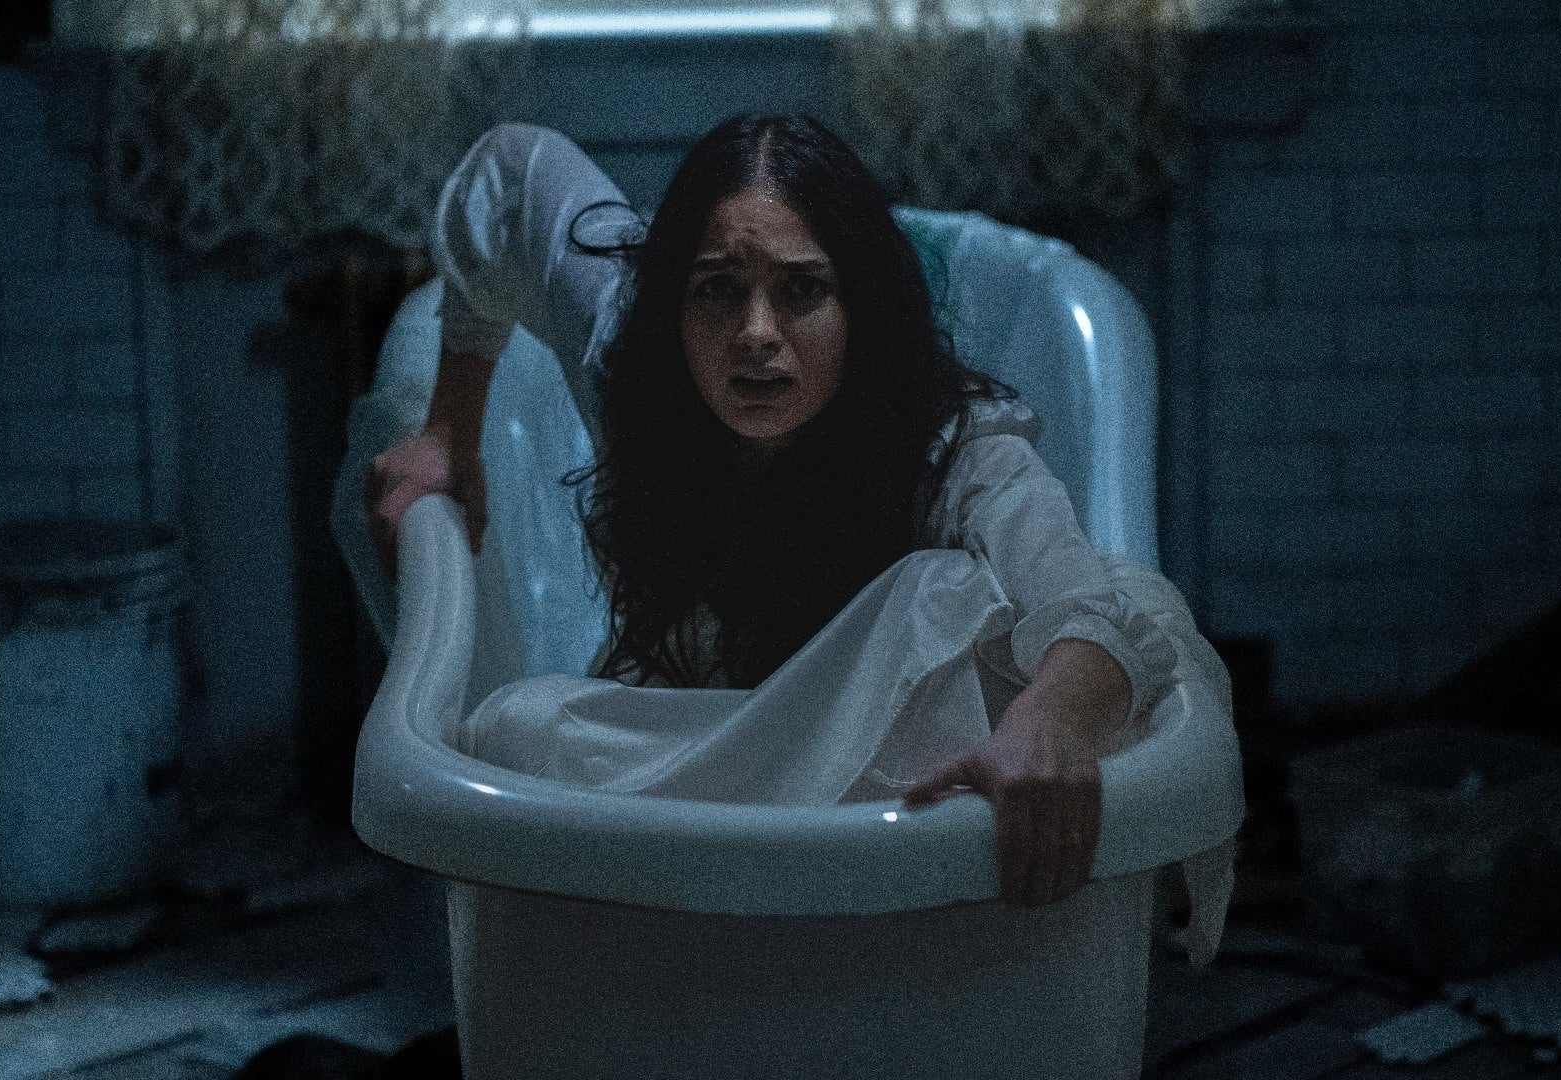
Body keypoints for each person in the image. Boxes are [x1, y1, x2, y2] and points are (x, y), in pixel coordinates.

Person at [365, 114, 1225, 910]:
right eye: (717, 290)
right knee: (512, 732)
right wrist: (450, 428)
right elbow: (510, 175)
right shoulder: (634, 361)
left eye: (802, 290)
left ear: (859, 308)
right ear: (673, 305)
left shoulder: (941, 443)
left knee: (946, 596)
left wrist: (1051, 720)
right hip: (714, 747)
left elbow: (1085, 606)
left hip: (862, 793)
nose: (756, 332)